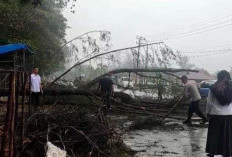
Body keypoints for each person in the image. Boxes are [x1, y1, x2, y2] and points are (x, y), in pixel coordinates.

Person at [206, 70, 232, 157]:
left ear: (219, 77)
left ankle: (212, 153)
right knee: (226, 135)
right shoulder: (230, 87)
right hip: (228, 115)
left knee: (214, 135)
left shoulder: (213, 87)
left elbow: (209, 102)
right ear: (228, 77)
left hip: (215, 114)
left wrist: (207, 112)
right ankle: (227, 153)